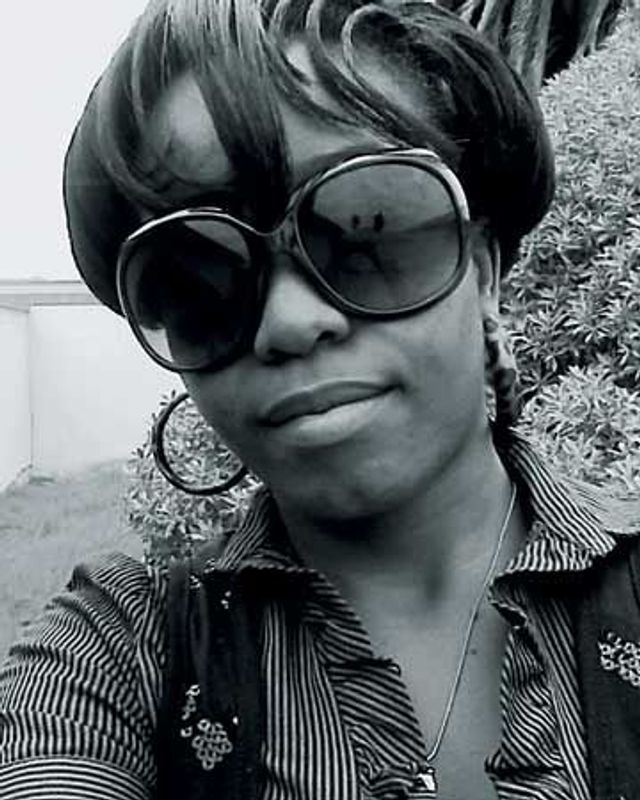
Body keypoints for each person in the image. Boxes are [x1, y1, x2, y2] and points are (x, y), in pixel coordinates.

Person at [1, 0, 639, 798]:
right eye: (199, 275)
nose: (290, 323)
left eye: (368, 228)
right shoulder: (123, 653)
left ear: (482, 270)